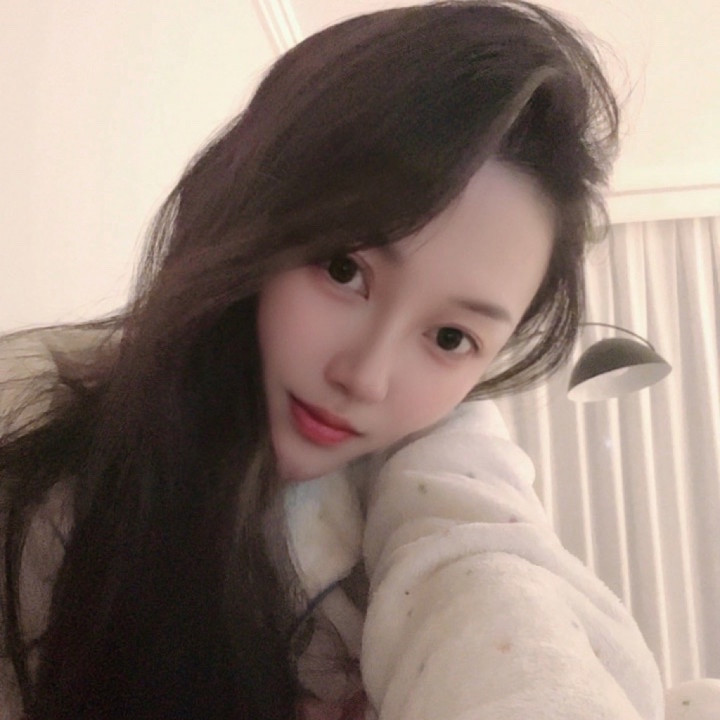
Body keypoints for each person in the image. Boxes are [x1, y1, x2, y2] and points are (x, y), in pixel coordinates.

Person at [0, 1, 665, 718]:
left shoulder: (437, 483)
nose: (365, 377)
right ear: (255, 210)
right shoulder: (48, 496)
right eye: (344, 270)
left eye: (450, 339)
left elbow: (494, 594)